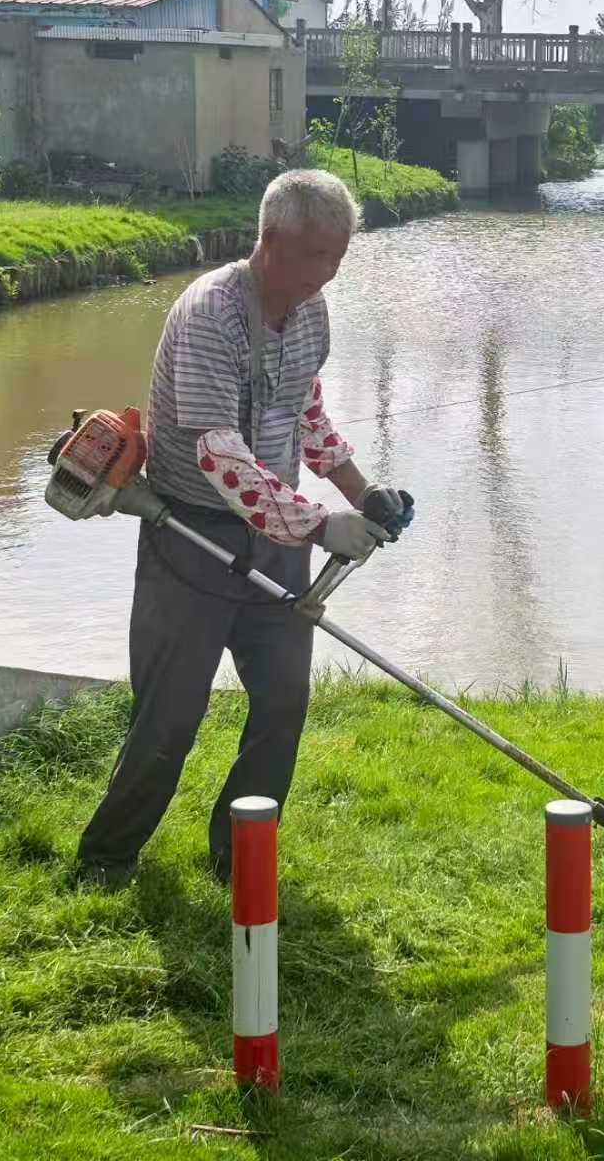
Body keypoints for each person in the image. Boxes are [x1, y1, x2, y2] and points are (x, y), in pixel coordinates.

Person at [77, 170, 411, 887]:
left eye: (341, 254)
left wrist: (362, 490)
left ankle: (239, 851)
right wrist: (322, 524)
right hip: (190, 538)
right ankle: (106, 860)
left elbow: (305, 413)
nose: (332, 271)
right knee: (170, 716)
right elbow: (219, 455)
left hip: (277, 538)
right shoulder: (210, 316)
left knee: (284, 699)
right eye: (320, 254)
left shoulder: (310, 312)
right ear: (272, 241)